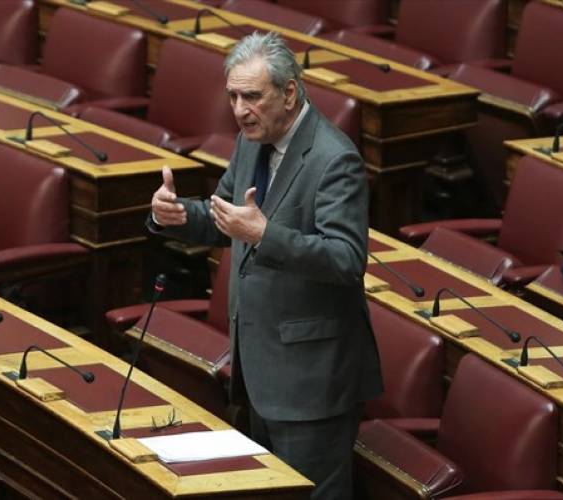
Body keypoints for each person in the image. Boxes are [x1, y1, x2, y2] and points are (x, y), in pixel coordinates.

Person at [149, 31, 382, 499]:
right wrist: (176, 216)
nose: (240, 110)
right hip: (259, 367)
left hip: (312, 383)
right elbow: (227, 217)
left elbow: (346, 259)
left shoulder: (335, 159)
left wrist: (264, 234)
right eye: (233, 96)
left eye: (252, 96)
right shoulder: (251, 141)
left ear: (289, 93)